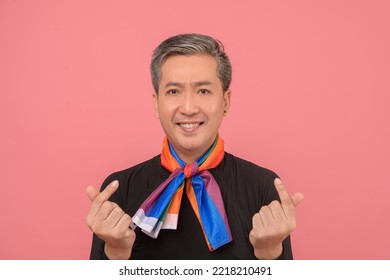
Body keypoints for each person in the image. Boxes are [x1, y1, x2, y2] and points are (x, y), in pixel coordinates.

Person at [86, 33, 304, 260]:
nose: (188, 108)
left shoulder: (263, 187)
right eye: (173, 91)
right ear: (156, 103)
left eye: (203, 91)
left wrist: (269, 254)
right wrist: (115, 253)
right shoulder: (121, 189)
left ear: (226, 101)